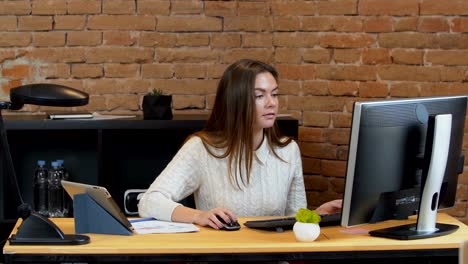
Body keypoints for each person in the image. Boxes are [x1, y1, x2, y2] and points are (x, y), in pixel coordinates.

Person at [138, 59, 342, 230]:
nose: (271, 103)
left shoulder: (287, 150)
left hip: (271, 259)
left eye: (275, 94)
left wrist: (317, 216)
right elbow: (149, 202)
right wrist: (198, 216)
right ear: (236, 102)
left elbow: (293, 221)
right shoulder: (202, 148)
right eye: (259, 96)